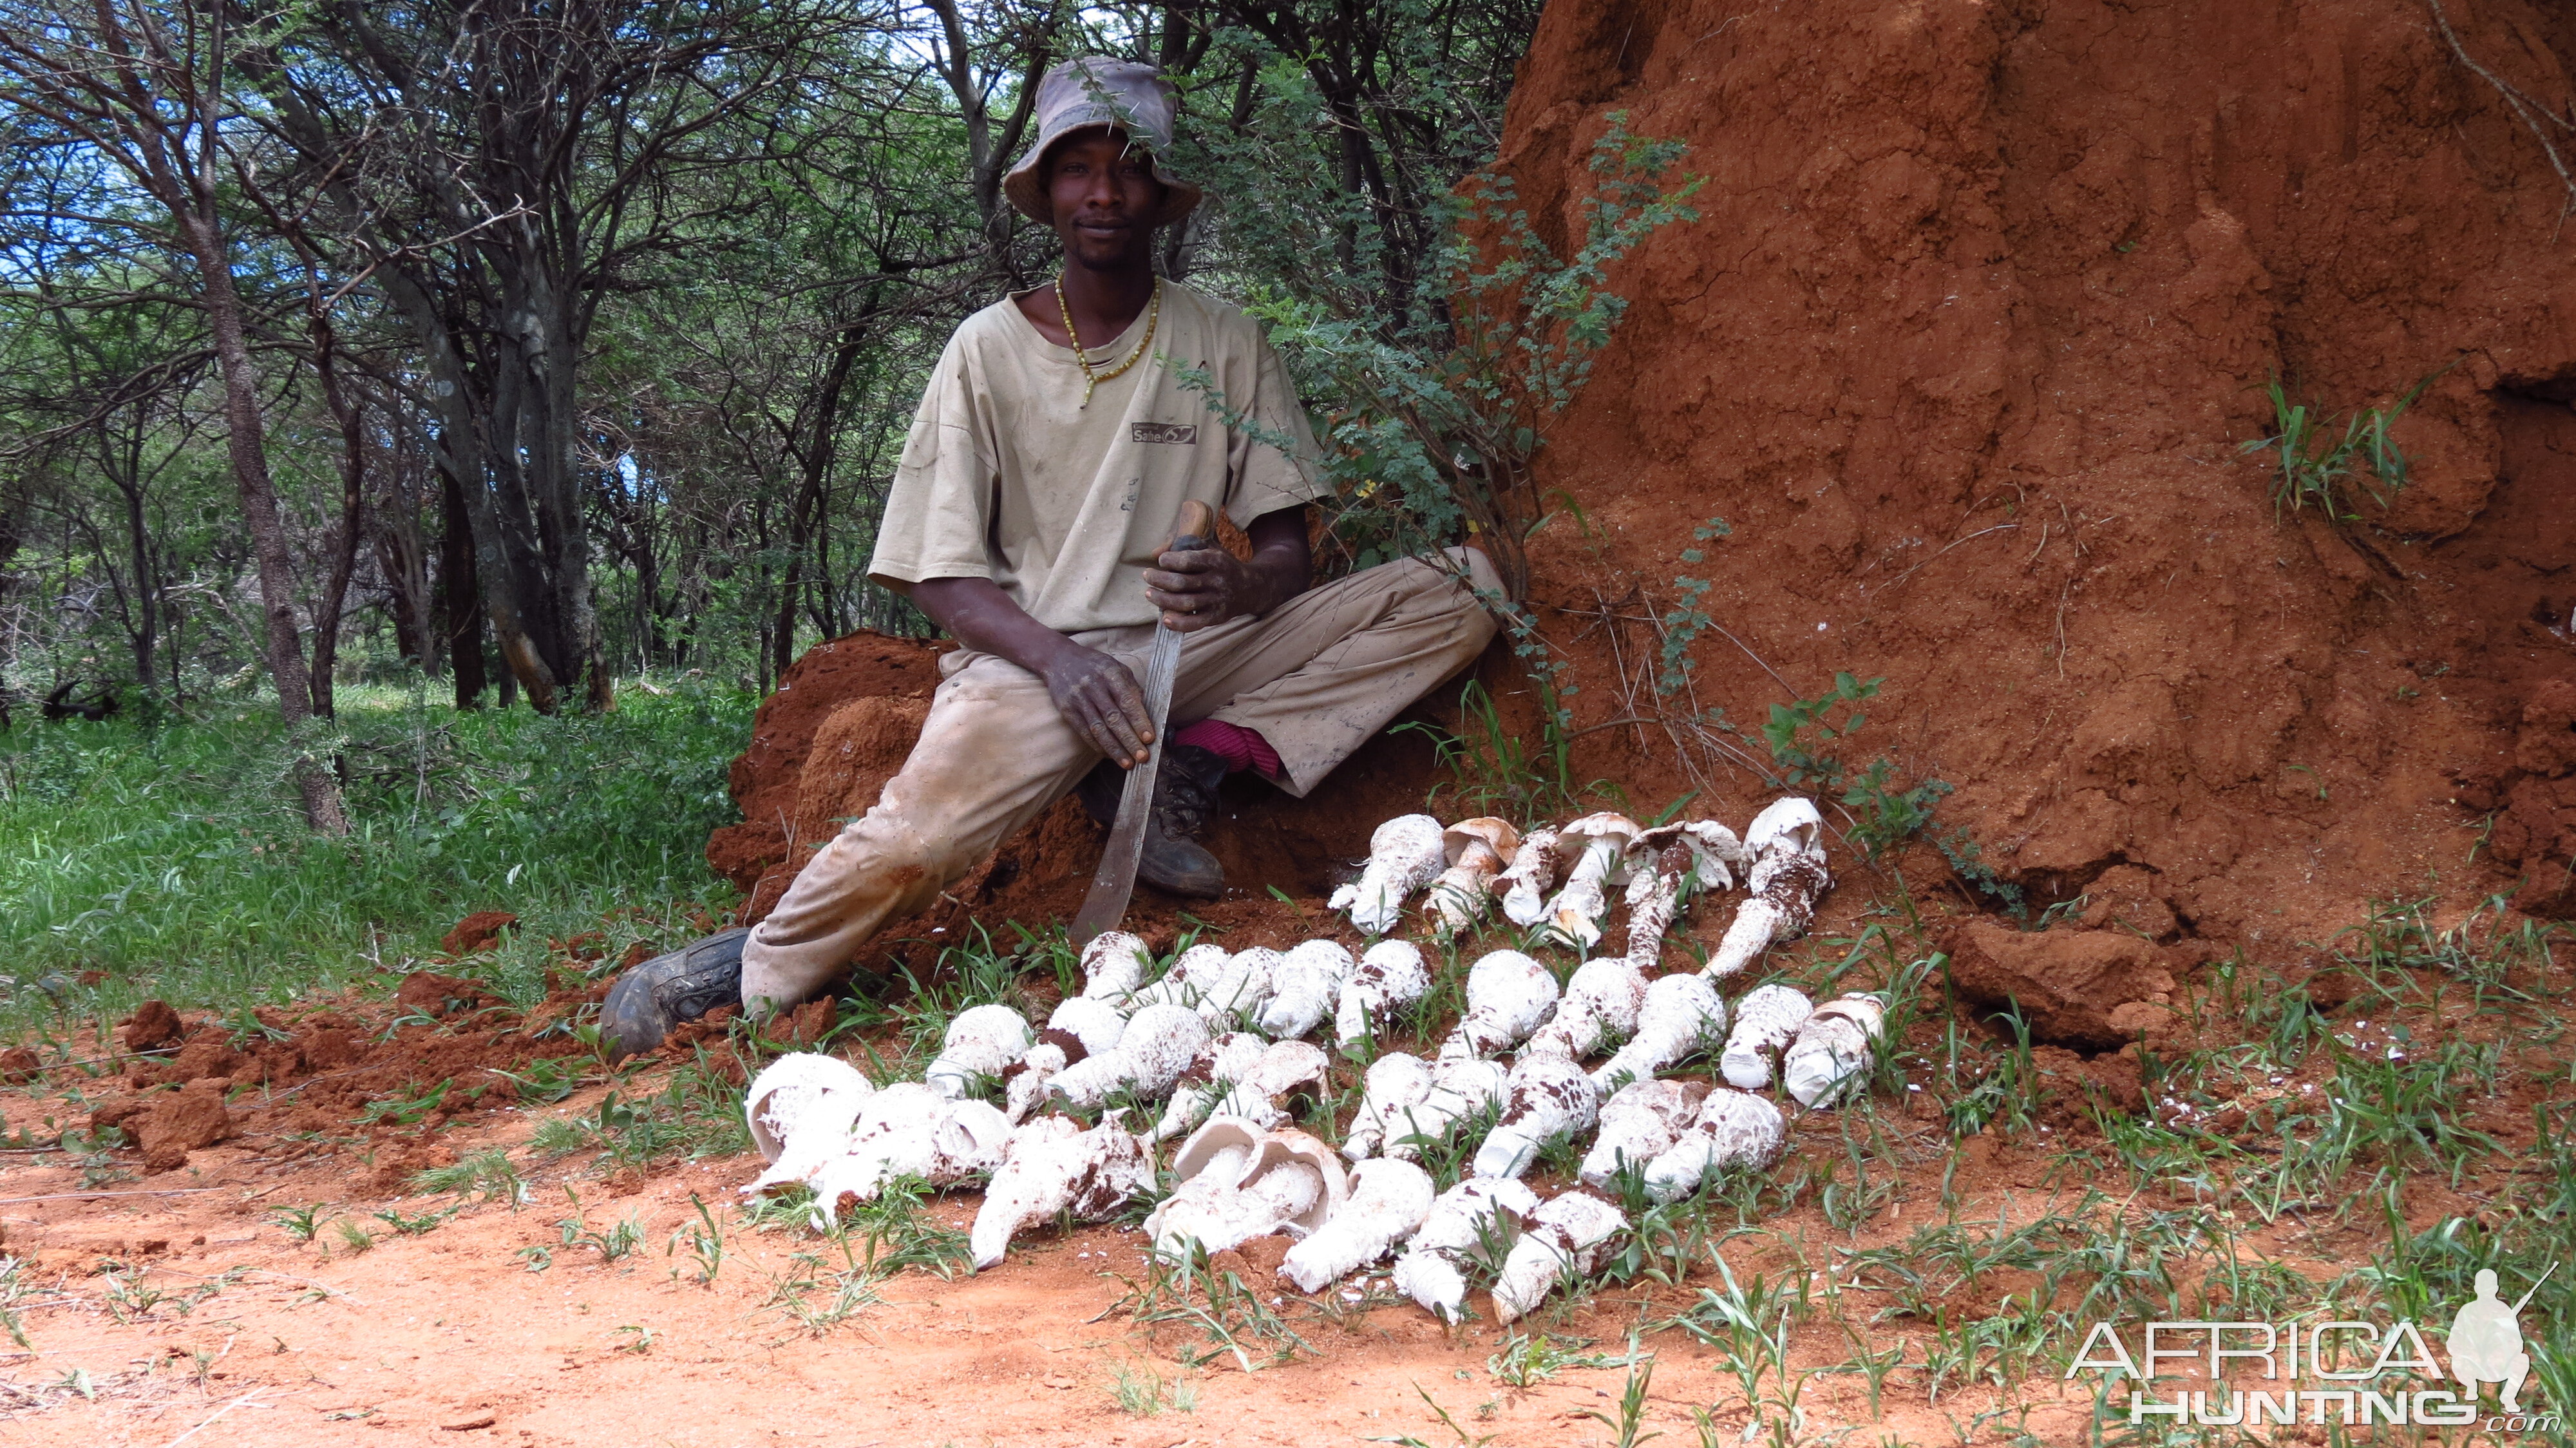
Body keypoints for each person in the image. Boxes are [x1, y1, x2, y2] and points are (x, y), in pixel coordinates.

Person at [602, 57, 1499, 1058]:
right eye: (1077, 169)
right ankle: (748, 966)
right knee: (917, 842)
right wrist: (1062, 663)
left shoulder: (1226, 339)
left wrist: (1243, 583)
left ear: (1163, 194)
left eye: (1128, 168)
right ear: (1046, 192)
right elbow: (940, 573)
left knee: (1463, 588)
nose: (1104, 192)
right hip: (1035, 664)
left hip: (1196, 647)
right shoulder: (985, 350)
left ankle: (1186, 768)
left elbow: (1291, 547)